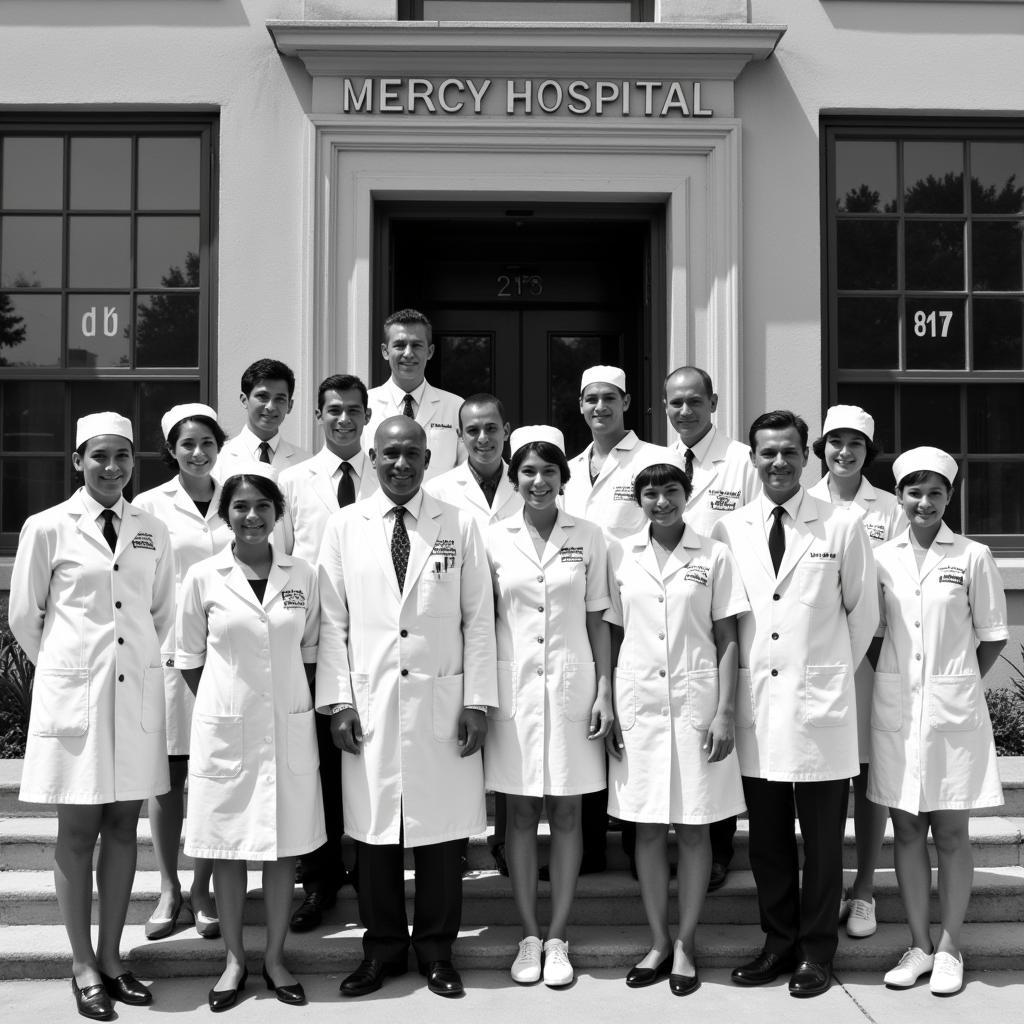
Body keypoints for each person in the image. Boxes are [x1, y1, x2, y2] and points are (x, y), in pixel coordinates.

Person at [317, 416, 497, 999]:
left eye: (412, 453)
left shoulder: (460, 524)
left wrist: (477, 702)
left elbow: (479, 619)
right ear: (372, 457)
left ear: (428, 456)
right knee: (374, 836)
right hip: (370, 702)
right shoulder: (345, 526)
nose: (401, 463)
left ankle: (438, 951)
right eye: (390, 453)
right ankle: (384, 949)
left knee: (441, 837)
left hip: (442, 700)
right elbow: (333, 621)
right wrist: (339, 699)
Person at [9, 412, 175, 1021]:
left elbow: (159, 613)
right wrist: (70, 666)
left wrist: (122, 665)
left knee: (123, 830)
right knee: (78, 834)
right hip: (75, 698)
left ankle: (111, 957)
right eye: (100, 456)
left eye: (124, 457)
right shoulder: (48, 527)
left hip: (132, 700)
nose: (113, 468)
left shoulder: (151, 529)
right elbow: (27, 618)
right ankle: (81, 964)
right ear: (78, 460)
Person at [712, 410, 877, 998]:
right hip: (759, 710)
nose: (778, 462)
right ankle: (776, 943)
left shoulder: (842, 524)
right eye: (766, 453)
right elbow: (729, 616)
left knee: (825, 842)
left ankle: (816, 951)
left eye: (788, 452)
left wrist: (826, 673)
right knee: (768, 842)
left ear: (807, 456)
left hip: (820, 711)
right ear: (751, 459)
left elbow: (864, 614)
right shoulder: (730, 530)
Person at [176, 464, 324, 1011]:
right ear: (226, 515)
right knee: (230, 851)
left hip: (287, 726)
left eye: (263, 507)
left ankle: (276, 957)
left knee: (284, 851)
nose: (252, 516)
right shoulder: (202, 577)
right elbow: (189, 658)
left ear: (278, 515)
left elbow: (311, 652)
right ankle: (235, 960)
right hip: (227, 732)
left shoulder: (303, 575)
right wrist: (227, 702)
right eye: (240, 507)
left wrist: (276, 699)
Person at [607, 451, 747, 995]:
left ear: (687, 495)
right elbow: (612, 636)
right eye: (650, 493)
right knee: (644, 827)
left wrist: (725, 710)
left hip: (696, 705)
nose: (661, 502)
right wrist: (609, 702)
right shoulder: (621, 556)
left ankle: (686, 943)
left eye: (671, 492)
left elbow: (729, 636)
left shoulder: (714, 555)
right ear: (638, 500)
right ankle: (658, 940)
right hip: (637, 704)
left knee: (693, 827)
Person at [868, 447, 1007, 996]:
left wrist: (957, 680)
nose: (924, 503)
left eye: (935, 493)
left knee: (950, 832)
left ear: (951, 496)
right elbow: (872, 635)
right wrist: (896, 679)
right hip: (897, 712)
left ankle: (950, 946)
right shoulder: (881, 558)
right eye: (913, 492)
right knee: (905, 830)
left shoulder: (972, 555)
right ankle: (919, 945)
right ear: (898, 497)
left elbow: (993, 632)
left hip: (952, 713)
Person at [484, 425, 613, 987]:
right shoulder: (491, 536)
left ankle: (558, 936)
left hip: (571, 690)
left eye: (550, 472)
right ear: (514, 479)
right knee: (517, 814)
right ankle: (528, 934)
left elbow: (598, 618)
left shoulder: (589, 535)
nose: (539, 482)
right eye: (529, 472)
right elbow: (479, 622)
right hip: (511, 694)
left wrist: (605, 690)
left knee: (565, 812)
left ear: (564, 479)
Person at [562, 365, 671, 874]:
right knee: (589, 719)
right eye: (591, 399)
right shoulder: (569, 466)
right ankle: (584, 849)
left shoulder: (654, 459)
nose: (600, 407)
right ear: (580, 405)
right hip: (583, 609)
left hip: (639, 607)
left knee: (635, 726)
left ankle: (639, 844)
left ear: (627, 401)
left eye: (609, 398)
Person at [278, 374, 377, 932]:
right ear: (317, 415)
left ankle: (368, 870)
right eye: (334, 410)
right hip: (314, 648)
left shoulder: (390, 474)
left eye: (354, 411)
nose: (344, 419)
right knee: (318, 769)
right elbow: (283, 561)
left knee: (366, 763)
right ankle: (319, 882)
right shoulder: (293, 482)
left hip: (380, 644)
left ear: (367, 416)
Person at [133, 403, 231, 943]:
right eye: (186, 444)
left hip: (226, 657)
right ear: (171, 449)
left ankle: (203, 887)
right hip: (170, 658)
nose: (198, 453)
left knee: (214, 774)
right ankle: (169, 886)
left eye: (207, 444)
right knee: (169, 777)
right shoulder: (148, 507)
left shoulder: (237, 497)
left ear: (220, 446)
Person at [808, 404, 903, 939]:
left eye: (856, 445)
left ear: (870, 453)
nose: (844, 453)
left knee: (870, 778)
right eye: (835, 442)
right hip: (814, 659)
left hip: (872, 658)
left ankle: (864, 889)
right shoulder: (802, 503)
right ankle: (823, 887)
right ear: (820, 447)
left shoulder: (890, 508)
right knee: (821, 777)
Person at [664, 364, 760, 892]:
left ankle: (718, 846)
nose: (684, 411)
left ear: (714, 401)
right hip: (672, 607)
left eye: (693, 401)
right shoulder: (659, 461)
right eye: (674, 403)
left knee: (714, 732)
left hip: (728, 603)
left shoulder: (742, 461)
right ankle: (662, 844)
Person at [425, 392, 522, 877]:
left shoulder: (531, 484)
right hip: (453, 627)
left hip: (516, 630)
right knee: (457, 738)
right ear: (459, 436)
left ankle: (505, 838)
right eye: (472, 430)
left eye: (491, 428)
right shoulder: (439, 489)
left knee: (506, 738)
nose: (482, 438)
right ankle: (458, 837)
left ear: (506, 429)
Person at [364, 308, 464, 482]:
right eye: (400, 345)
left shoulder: (455, 407)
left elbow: (465, 473)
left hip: (440, 508)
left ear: (430, 351)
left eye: (417, 345)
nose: (408, 353)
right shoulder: (364, 405)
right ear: (385, 351)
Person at [216, 358, 309, 478]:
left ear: (289, 406)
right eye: (262, 396)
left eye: (280, 399)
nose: (270, 407)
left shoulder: (305, 462)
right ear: (244, 400)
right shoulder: (219, 458)